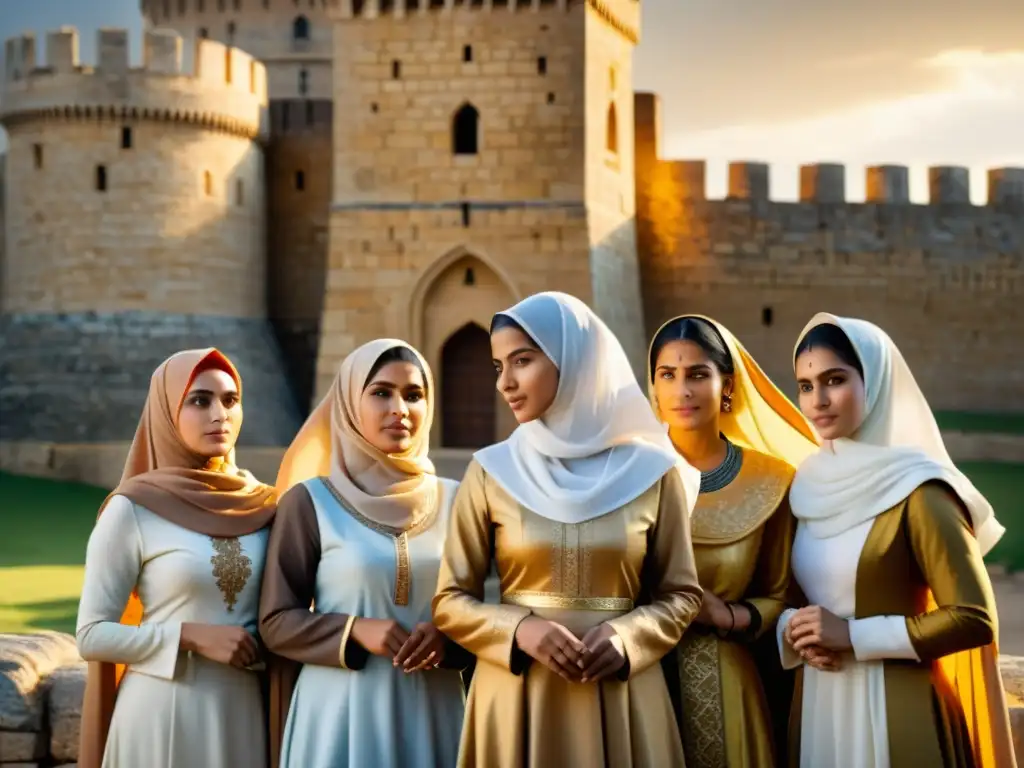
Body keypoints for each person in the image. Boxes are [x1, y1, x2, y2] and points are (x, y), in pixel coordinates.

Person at [432, 291, 704, 768]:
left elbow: (681, 596)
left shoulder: (654, 472)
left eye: (522, 361)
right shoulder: (491, 471)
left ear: (572, 358)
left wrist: (627, 638)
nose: (506, 383)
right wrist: (519, 630)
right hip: (517, 698)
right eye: (498, 367)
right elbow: (450, 600)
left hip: (622, 697)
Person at [779, 313, 1015, 768]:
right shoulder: (806, 485)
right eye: (806, 386)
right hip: (819, 705)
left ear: (876, 379)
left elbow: (974, 616)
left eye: (835, 380)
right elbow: (805, 594)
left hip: (893, 707)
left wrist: (852, 635)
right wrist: (793, 629)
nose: (818, 400)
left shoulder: (921, 489)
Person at [259, 340, 469, 768]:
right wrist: (355, 630)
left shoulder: (458, 500)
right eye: (380, 392)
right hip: (340, 716)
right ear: (349, 404)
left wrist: (451, 637)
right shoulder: (311, 501)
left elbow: (486, 607)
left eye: (414, 395)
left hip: (435, 710)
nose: (400, 408)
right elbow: (276, 622)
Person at [76, 348, 277, 768]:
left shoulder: (264, 505)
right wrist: (190, 636)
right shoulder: (132, 508)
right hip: (163, 714)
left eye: (230, 400)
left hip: (245, 713)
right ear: (167, 411)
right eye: (199, 400)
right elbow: (91, 635)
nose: (219, 413)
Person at [647, 315, 818, 768]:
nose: (682, 390)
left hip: (728, 683)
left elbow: (783, 597)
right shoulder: (627, 476)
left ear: (727, 385)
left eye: (698, 374)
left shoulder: (772, 480)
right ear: (654, 388)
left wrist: (727, 614)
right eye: (668, 375)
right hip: (635, 680)